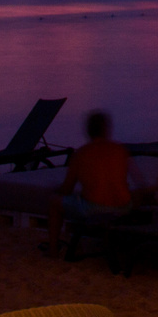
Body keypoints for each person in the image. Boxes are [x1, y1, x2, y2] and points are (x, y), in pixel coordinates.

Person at [48, 110, 132, 258]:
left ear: (88, 131)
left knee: (55, 203)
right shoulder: (120, 150)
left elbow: (67, 188)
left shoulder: (81, 153)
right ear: (106, 130)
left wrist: (55, 189)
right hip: (124, 207)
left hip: (95, 208)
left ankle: (53, 250)